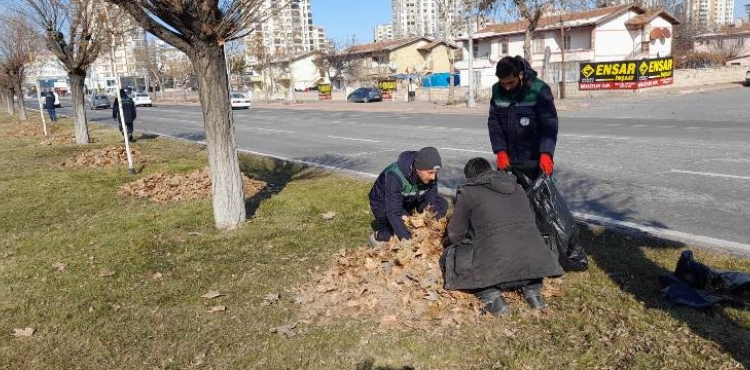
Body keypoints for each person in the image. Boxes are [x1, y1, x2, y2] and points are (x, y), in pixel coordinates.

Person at [441, 158, 564, 315]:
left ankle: (492, 297)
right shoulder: (518, 187)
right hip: (534, 266)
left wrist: (464, 243)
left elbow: (455, 234)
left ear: (470, 178)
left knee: (452, 255)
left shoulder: (468, 192)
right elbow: (529, 222)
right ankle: (533, 292)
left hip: (495, 271)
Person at [487, 55, 558, 180]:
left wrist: (546, 153)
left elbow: (549, 124)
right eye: (503, 83)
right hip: (508, 161)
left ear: (520, 75)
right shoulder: (497, 90)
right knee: (508, 198)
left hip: (535, 160)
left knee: (539, 199)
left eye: (510, 82)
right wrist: (500, 151)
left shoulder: (539, 89)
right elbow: (494, 122)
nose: (507, 87)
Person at [368, 147, 447, 247]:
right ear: (418, 169)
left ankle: (422, 230)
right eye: (430, 172)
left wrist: (430, 222)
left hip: (408, 201)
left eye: (436, 172)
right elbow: (393, 212)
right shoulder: (395, 175)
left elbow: (431, 200)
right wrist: (408, 240)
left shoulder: (430, 175)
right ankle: (379, 237)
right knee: (405, 228)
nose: (433, 177)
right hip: (383, 204)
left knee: (442, 203)